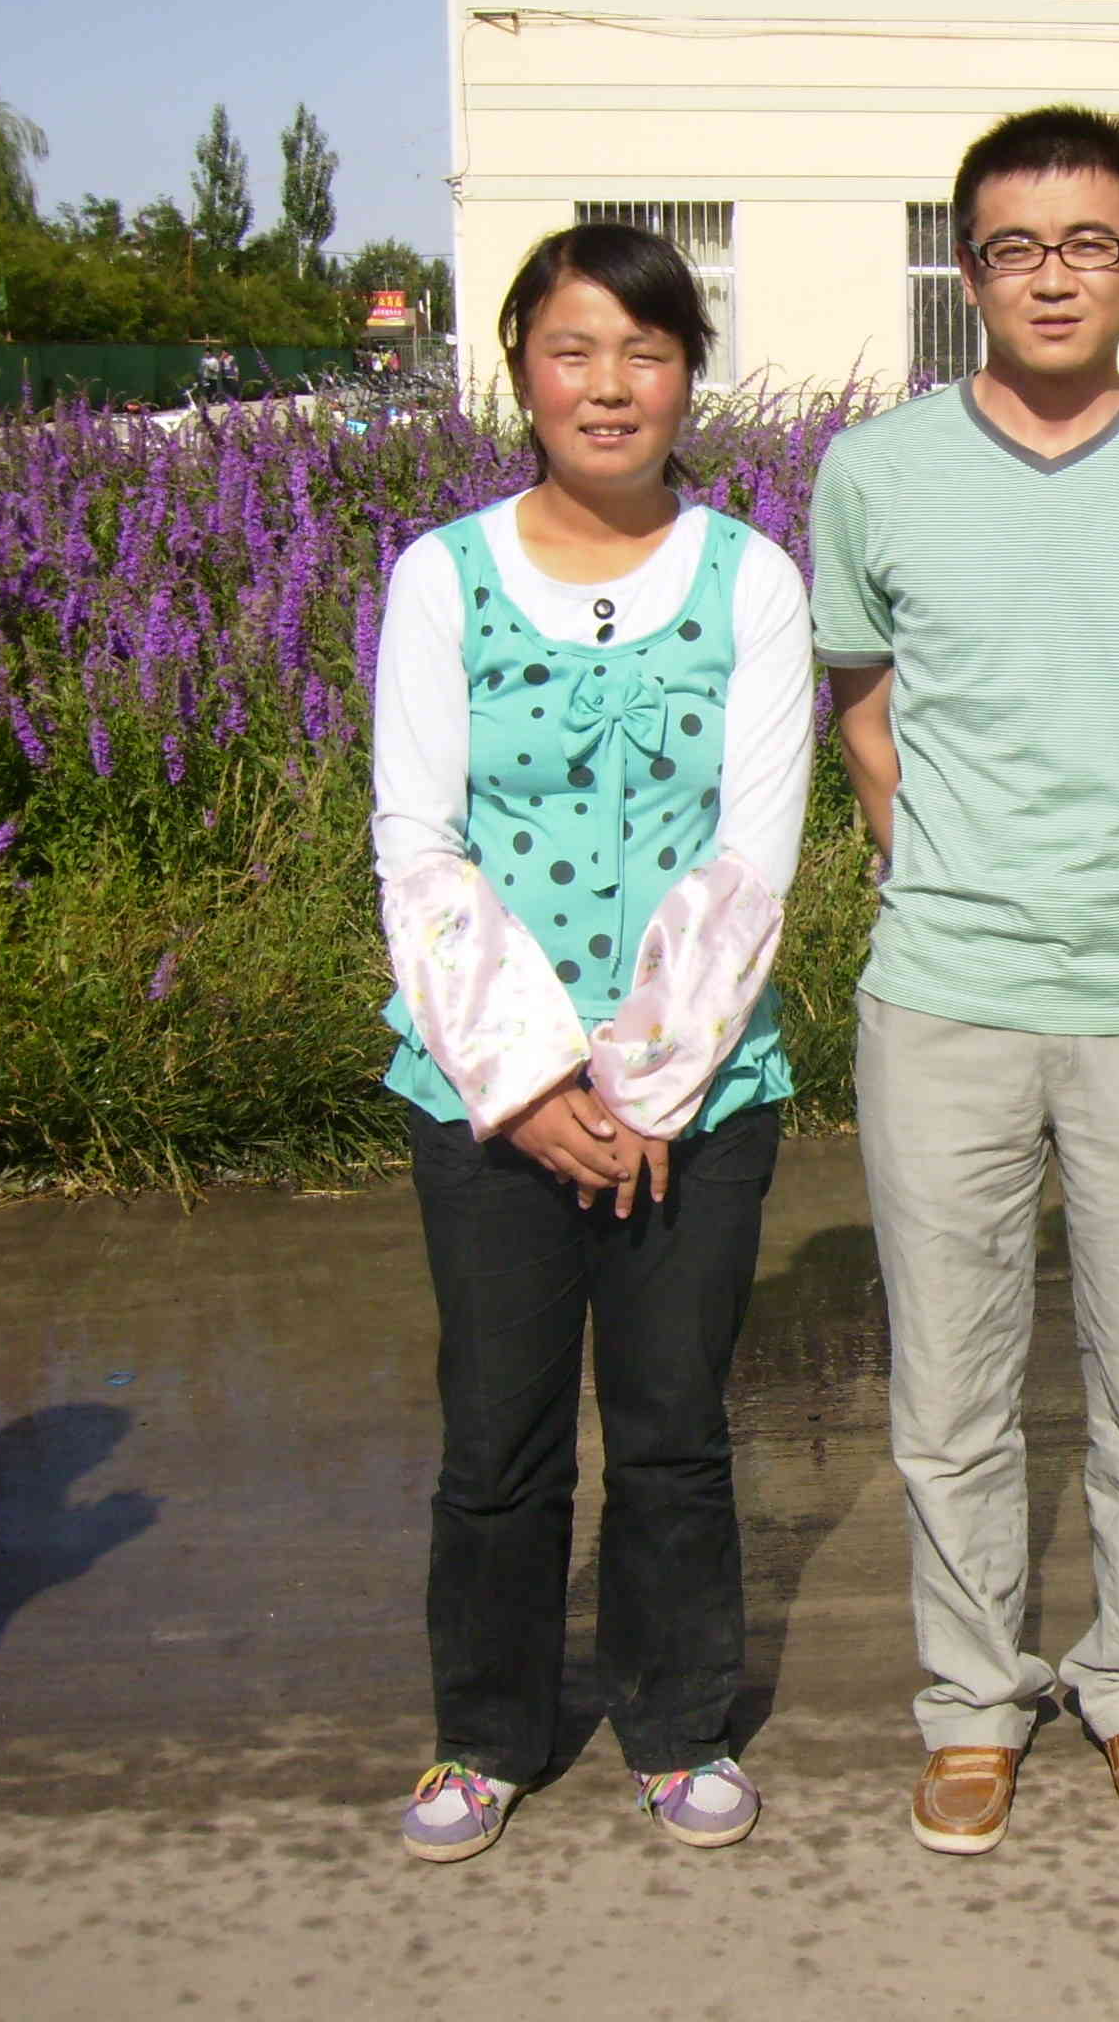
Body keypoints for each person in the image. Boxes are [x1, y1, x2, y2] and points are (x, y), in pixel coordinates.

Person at [812, 104, 1119, 1857]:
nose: (1052, 277)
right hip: (943, 992)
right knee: (948, 1385)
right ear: (966, 271)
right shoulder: (875, 472)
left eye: (1088, 244)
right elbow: (865, 710)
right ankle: (972, 1702)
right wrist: (947, 866)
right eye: (1015, 247)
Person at [370, 221, 814, 1864]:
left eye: (646, 350)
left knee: (674, 1429)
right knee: (497, 1435)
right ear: (521, 370)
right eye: (573, 350)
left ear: (690, 374)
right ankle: (486, 1732)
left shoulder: (753, 580)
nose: (609, 385)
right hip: (487, 1095)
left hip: (702, 1092)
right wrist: (532, 1080)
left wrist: (643, 1086)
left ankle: (680, 1722)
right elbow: (419, 844)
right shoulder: (444, 575)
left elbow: (754, 856)